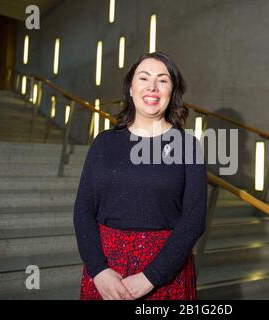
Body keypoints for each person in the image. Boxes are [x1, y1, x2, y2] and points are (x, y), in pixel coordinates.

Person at [74, 51, 208, 300]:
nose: (152, 87)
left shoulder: (188, 146)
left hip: (166, 269)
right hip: (106, 269)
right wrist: (99, 270)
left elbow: (194, 220)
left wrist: (152, 276)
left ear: (173, 92)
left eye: (163, 80)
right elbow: (83, 210)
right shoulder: (104, 143)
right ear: (130, 88)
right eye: (144, 78)